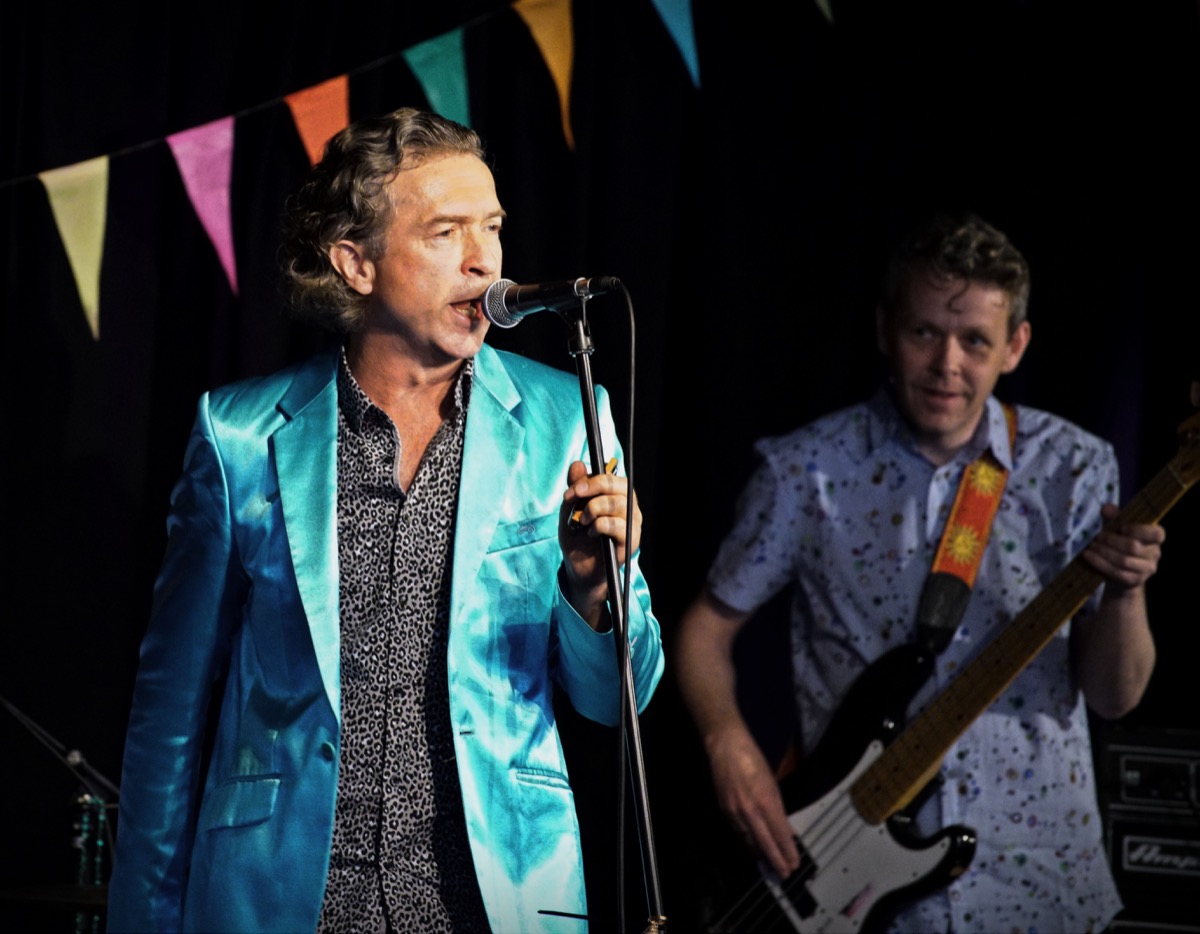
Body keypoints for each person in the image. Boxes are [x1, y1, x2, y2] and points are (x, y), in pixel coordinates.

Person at [106, 107, 664, 934]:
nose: (483, 260)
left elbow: (618, 701)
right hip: (283, 902)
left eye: (492, 227)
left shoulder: (566, 422)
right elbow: (169, 719)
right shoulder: (240, 436)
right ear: (355, 262)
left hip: (494, 901)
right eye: (445, 232)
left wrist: (592, 591)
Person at [675, 212, 1165, 933]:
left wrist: (1126, 593)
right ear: (884, 329)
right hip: (852, 890)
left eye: (975, 340)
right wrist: (728, 746)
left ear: (1015, 346)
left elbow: (1115, 699)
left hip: (1040, 886)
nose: (947, 365)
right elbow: (704, 631)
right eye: (924, 332)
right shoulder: (806, 470)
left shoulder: (1074, 466)